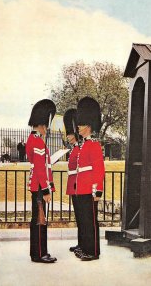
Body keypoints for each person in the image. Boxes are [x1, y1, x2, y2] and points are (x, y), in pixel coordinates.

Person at [26, 99, 57, 264]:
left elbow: (44, 167)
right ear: (41, 124)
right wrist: (45, 190)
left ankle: (38, 252)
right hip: (39, 187)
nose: (47, 128)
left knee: (39, 218)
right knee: (40, 219)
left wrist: (49, 185)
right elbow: (39, 168)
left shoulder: (35, 140)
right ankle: (40, 254)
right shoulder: (37, 141)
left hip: (39, 185)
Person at [74, 96, 105, 261]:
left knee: (91, 222)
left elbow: (99, 170)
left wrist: (97, 190)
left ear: (88, 125)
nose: (78, 126)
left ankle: (93, 251)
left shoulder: (94, 144)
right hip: (81, 188)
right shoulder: (84, 145)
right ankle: (86, 248)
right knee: (85, 222)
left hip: (89, 190)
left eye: (81, 124)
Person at [63, 108, 81, 253]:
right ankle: (80, 242)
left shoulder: (80, 148)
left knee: (82, 217)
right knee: (78, 217)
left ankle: (83, 243)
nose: (68, 137)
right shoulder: (74, 148)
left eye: (69, 134)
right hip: (73, 184)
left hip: (78, 185)